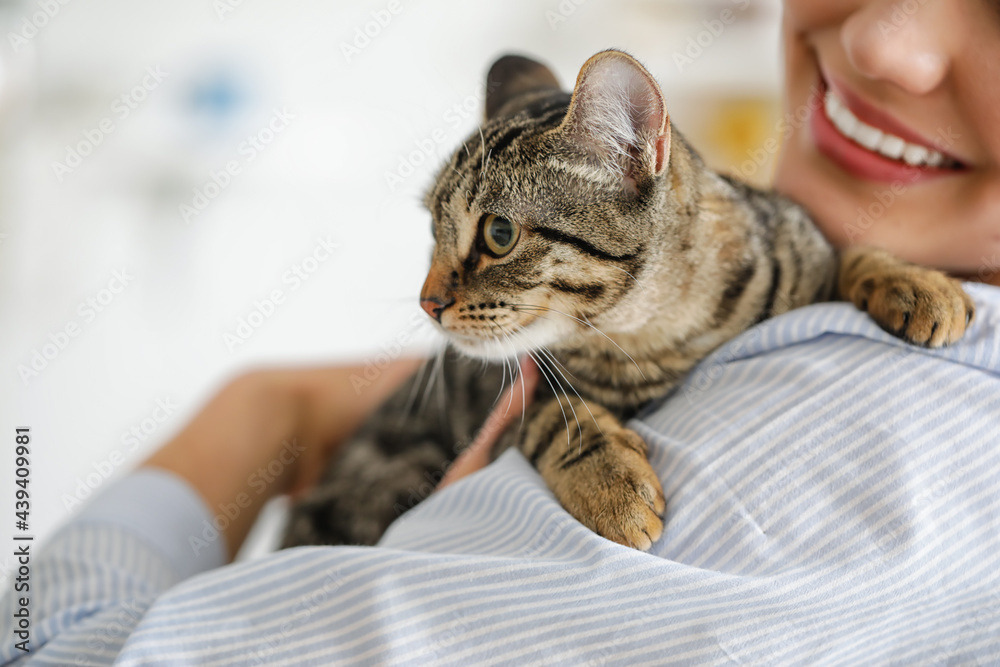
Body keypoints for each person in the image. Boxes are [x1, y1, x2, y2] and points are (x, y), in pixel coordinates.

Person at [4, 1, 1000, 664]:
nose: (436, 296)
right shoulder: (775, 266)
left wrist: (255, 409)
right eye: (447, 242)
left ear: (635, 165)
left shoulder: (835, 470)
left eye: (490, 241)